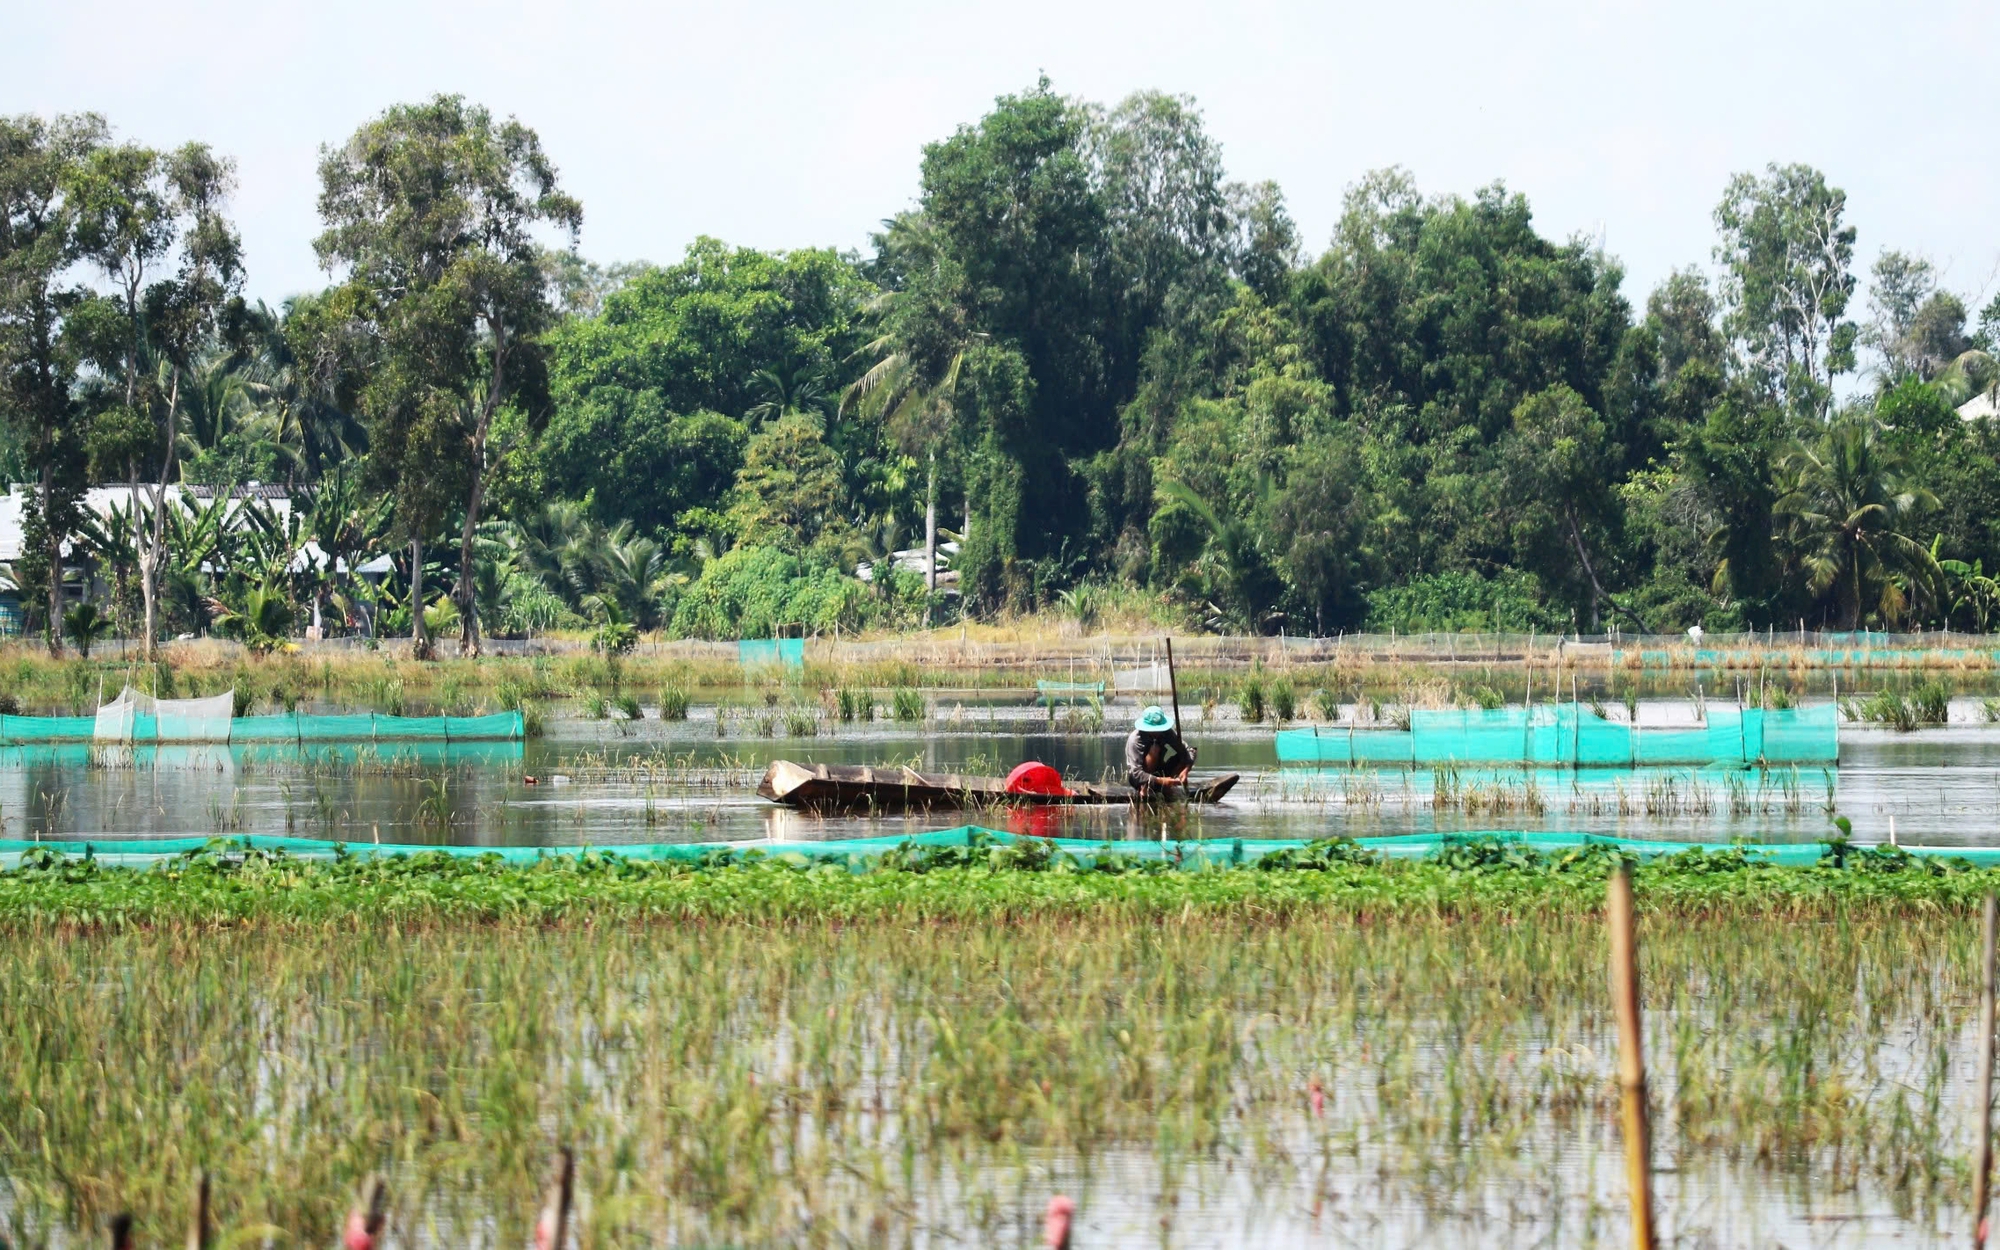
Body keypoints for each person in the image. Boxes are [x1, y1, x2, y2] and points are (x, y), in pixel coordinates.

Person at [1125, 705, 1194, 796]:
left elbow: (1190, 751)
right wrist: (1161, 781)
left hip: (1160, 772)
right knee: (1154, 750)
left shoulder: (1166, 733)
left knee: (1183, 755)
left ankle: (1165, 788)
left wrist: (1185, 770)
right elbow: (1136, 773)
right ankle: (1145, 788)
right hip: (1138, 778)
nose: (1157, 732)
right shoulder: (1136, 739)